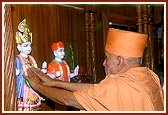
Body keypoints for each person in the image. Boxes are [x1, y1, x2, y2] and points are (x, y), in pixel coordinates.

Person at [25, 28, 164, 111]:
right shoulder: (149, 76)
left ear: (119, 61)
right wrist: (54, 82)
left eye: (107, 57)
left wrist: (37, 85)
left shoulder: (118, 85)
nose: (104, 63)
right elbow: (97, 89)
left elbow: (67, 100)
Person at [15, 19, 44, 111]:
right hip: (24, 87)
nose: (29, 48)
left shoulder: (32, 58)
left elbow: (36, 70)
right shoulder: (18, 59)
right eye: (26, 45)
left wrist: (42, 70)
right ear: (19, 47)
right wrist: (17, 72)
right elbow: (16, 72)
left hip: (33, 86)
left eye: (30, 45)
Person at [46, 41, 79, 110]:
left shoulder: (64, 63)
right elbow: (47, 77)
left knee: (65, 106)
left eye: (63, 51)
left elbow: (67, 76)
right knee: (59, 106)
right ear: (55, 53)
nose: (63, 53)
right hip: (58, 89)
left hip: (66, 89)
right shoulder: (52, 64)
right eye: (60, 51)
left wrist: (74, 74)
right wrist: (54, 75)